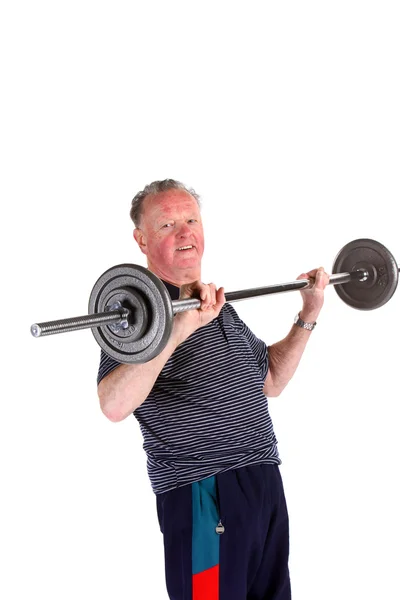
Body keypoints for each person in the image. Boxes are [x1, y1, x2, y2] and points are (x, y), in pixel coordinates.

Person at [97, 179, 329, 600]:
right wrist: (177, 331)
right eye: (167, 224)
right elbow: (113, 404)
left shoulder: (219, 306)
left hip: (263, 486)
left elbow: (270, 380)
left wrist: (308, 314)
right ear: (141, 240)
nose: (185, 232)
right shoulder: (135, 312)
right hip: (203, 494)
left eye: (191, 220)